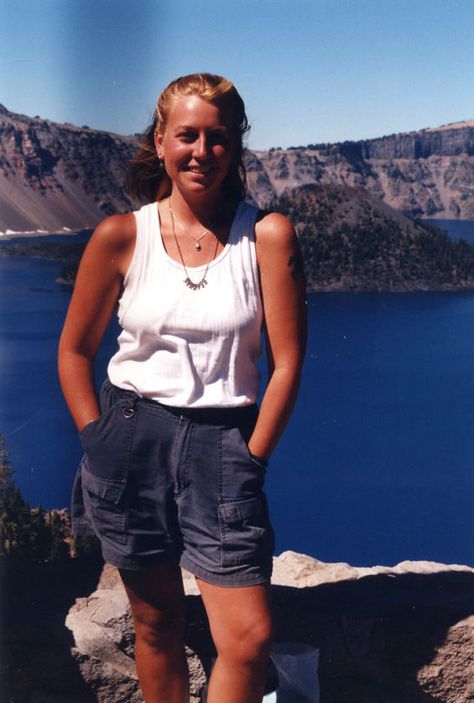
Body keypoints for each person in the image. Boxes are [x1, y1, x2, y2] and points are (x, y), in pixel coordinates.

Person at [58, 73, 307, 703]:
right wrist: (97, 437)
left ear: (236, 147)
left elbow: (287, 363)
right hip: (131, 438)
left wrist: (252, 456)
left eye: (217, 138)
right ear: (161, 142)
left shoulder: (266, 236)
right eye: (187, 136)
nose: (202, 151)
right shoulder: (122, 234)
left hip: (224, 446)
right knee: (156, 622)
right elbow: (74, 351)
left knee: (247, 640)